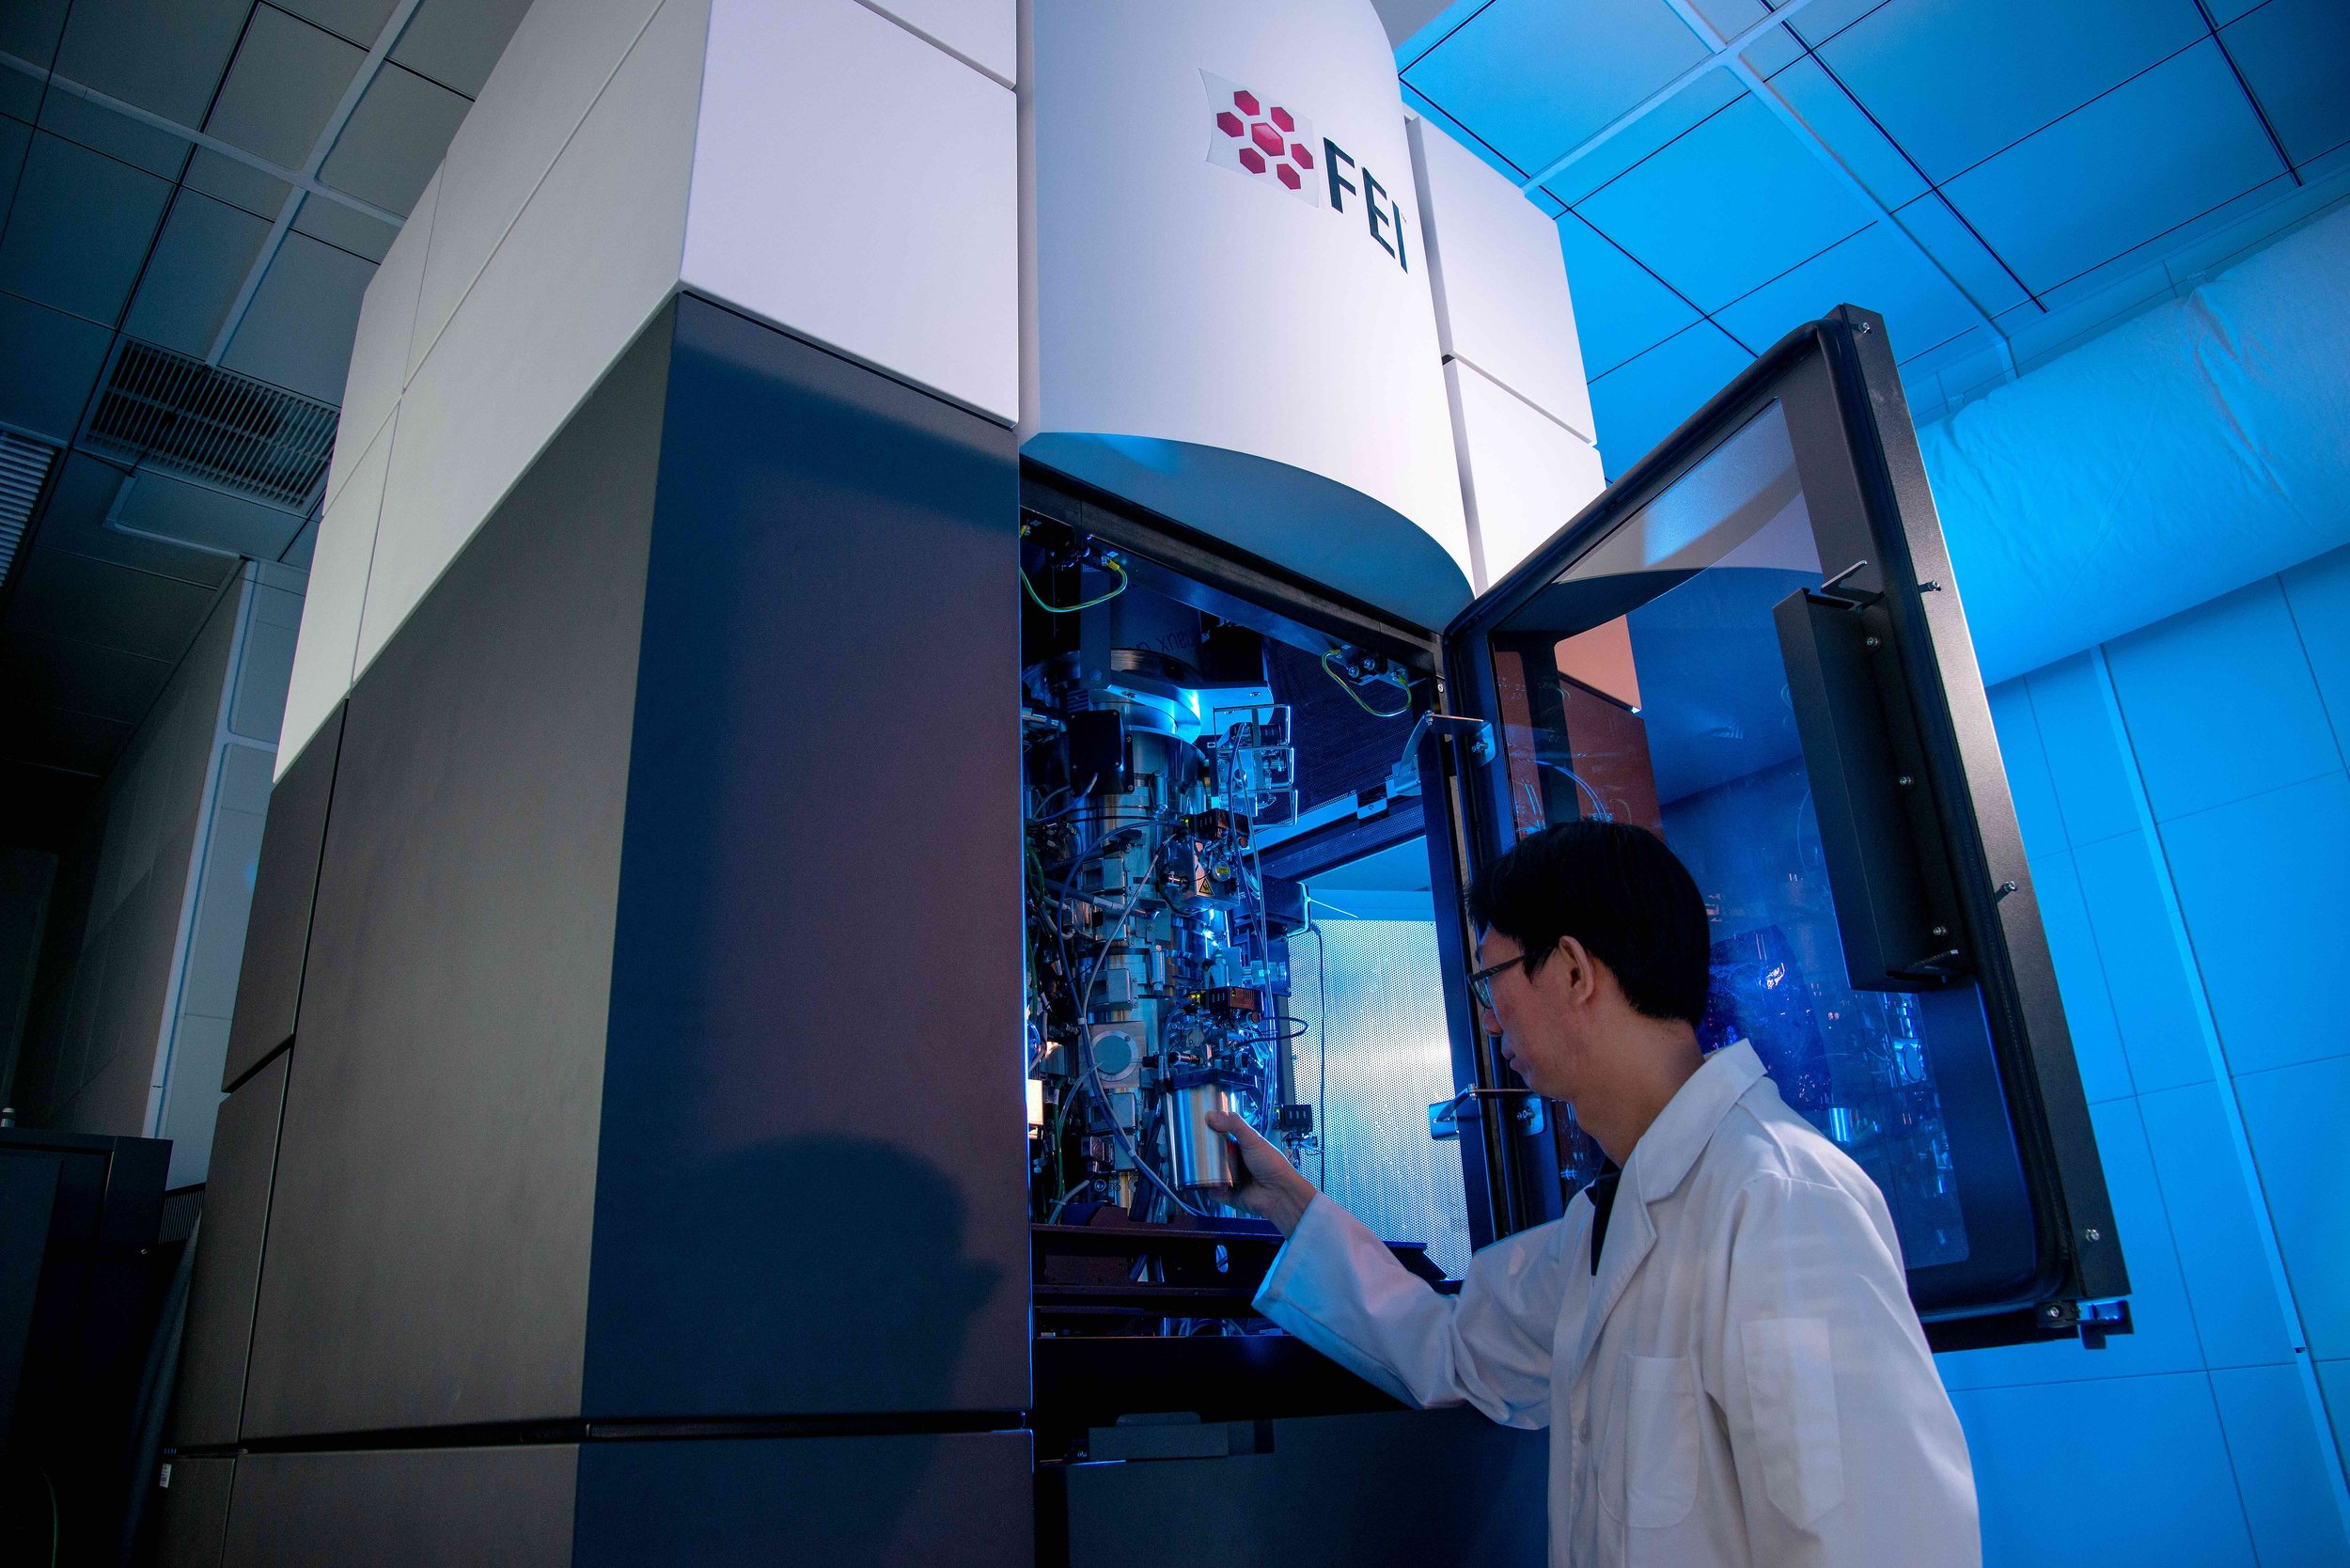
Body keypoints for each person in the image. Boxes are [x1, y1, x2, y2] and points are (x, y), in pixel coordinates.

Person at [1206, 820, 1980, 1568]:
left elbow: (1876, 1546)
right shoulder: (1606, 1227)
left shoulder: (1779, 1201)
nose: (1488, 1019)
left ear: (1574, 971)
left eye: (1491, 979)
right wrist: (1287, 1204)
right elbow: (1452, 1351)